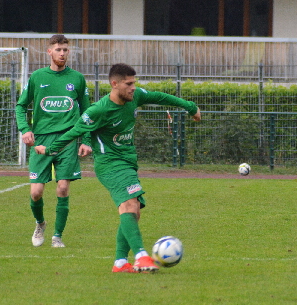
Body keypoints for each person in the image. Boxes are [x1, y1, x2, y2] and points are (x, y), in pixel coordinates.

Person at [35, 63, 201, 272]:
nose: (133, 87)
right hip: (109, 165)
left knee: (134, 212)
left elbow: (160, 97)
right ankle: (141, 256)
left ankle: (120, 262)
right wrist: (49, 149)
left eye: (134, 83)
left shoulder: (136, 97)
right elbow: (73, 132)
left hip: (128, 163)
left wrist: (190, 107)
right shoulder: (99, 110)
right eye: (128, 84)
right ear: (114, 84)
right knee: (129, 206)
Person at [15, 34, 92, 248]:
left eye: (65, 50)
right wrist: (25, 129)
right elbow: (21, 106)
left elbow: (87, 112)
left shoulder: (77, 78)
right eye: (58, 49)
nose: (62, 53)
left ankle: (57, 236)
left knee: (63, 188)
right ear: (49, 51)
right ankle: (40, 223)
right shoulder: (38, 77)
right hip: (41, 141)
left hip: (68, 140)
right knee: (36, 192)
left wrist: (86, 140)